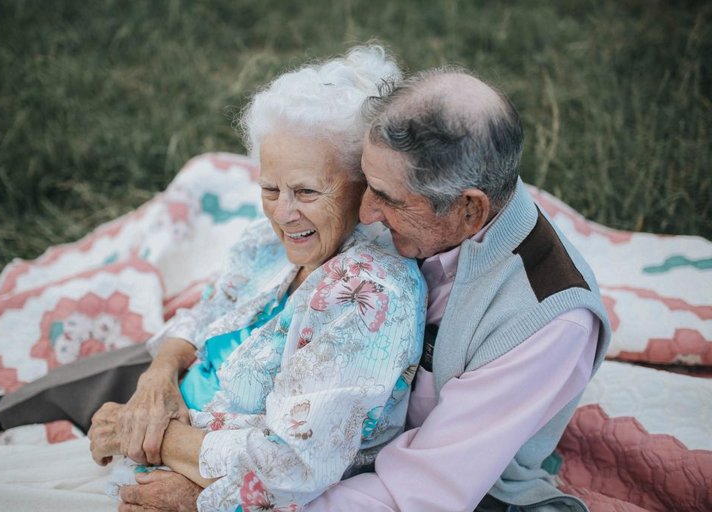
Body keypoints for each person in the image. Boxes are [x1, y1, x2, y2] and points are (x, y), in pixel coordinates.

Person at [0, 46, 427, 512]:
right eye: (269, 188)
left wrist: (149, 435)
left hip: (200, 457)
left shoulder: (366, 298)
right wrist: (158, 379)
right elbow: (208, 309)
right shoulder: (271, 240)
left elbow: (293, 464)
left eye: (305, 191)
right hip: (178, 408)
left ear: (362, 189)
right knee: (138, 359)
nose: (282, 213)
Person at [115, 68, 612, 512]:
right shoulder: (416, 216)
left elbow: (416, 494)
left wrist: (212, 498)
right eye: (366, 185)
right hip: (286, 434)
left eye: (388, 199)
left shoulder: (548, 321)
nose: (367, 215)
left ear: (470, 210)